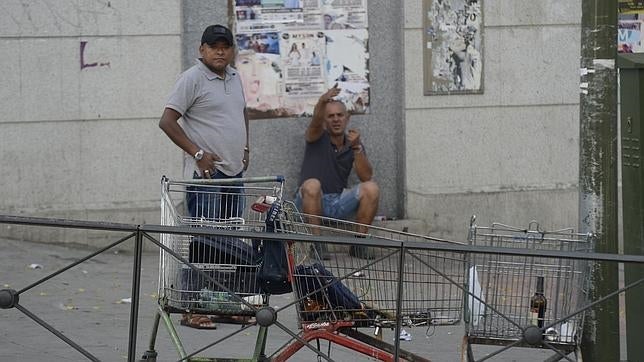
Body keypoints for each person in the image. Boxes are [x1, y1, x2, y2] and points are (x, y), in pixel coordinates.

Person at [159, 24, 250, 329]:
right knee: (203, 242)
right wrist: (198, 154)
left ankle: (222, 303)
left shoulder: (236, 76)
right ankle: (190, 306)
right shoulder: (192, 78)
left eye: (225, 46)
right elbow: (167, 121)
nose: (220, 51)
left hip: (234, 175)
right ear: (202, 50)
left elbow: (242, 112)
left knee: (230, 243)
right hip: (207, 178)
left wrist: (245, 146)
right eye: (214, 46)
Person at [295, 85, 380, 259]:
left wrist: (356, 147)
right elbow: (315, 123)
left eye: (340, 115)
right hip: (308, 201)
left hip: (336, 201)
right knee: (312, 184)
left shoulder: (353, 142)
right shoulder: (316, 136)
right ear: (325, 121)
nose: (336, 120)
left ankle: (359, 244)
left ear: (347, 118)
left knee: (371, 188)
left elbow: (366, 176)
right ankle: (317, 245)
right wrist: (322, 100)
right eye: (331, 116)